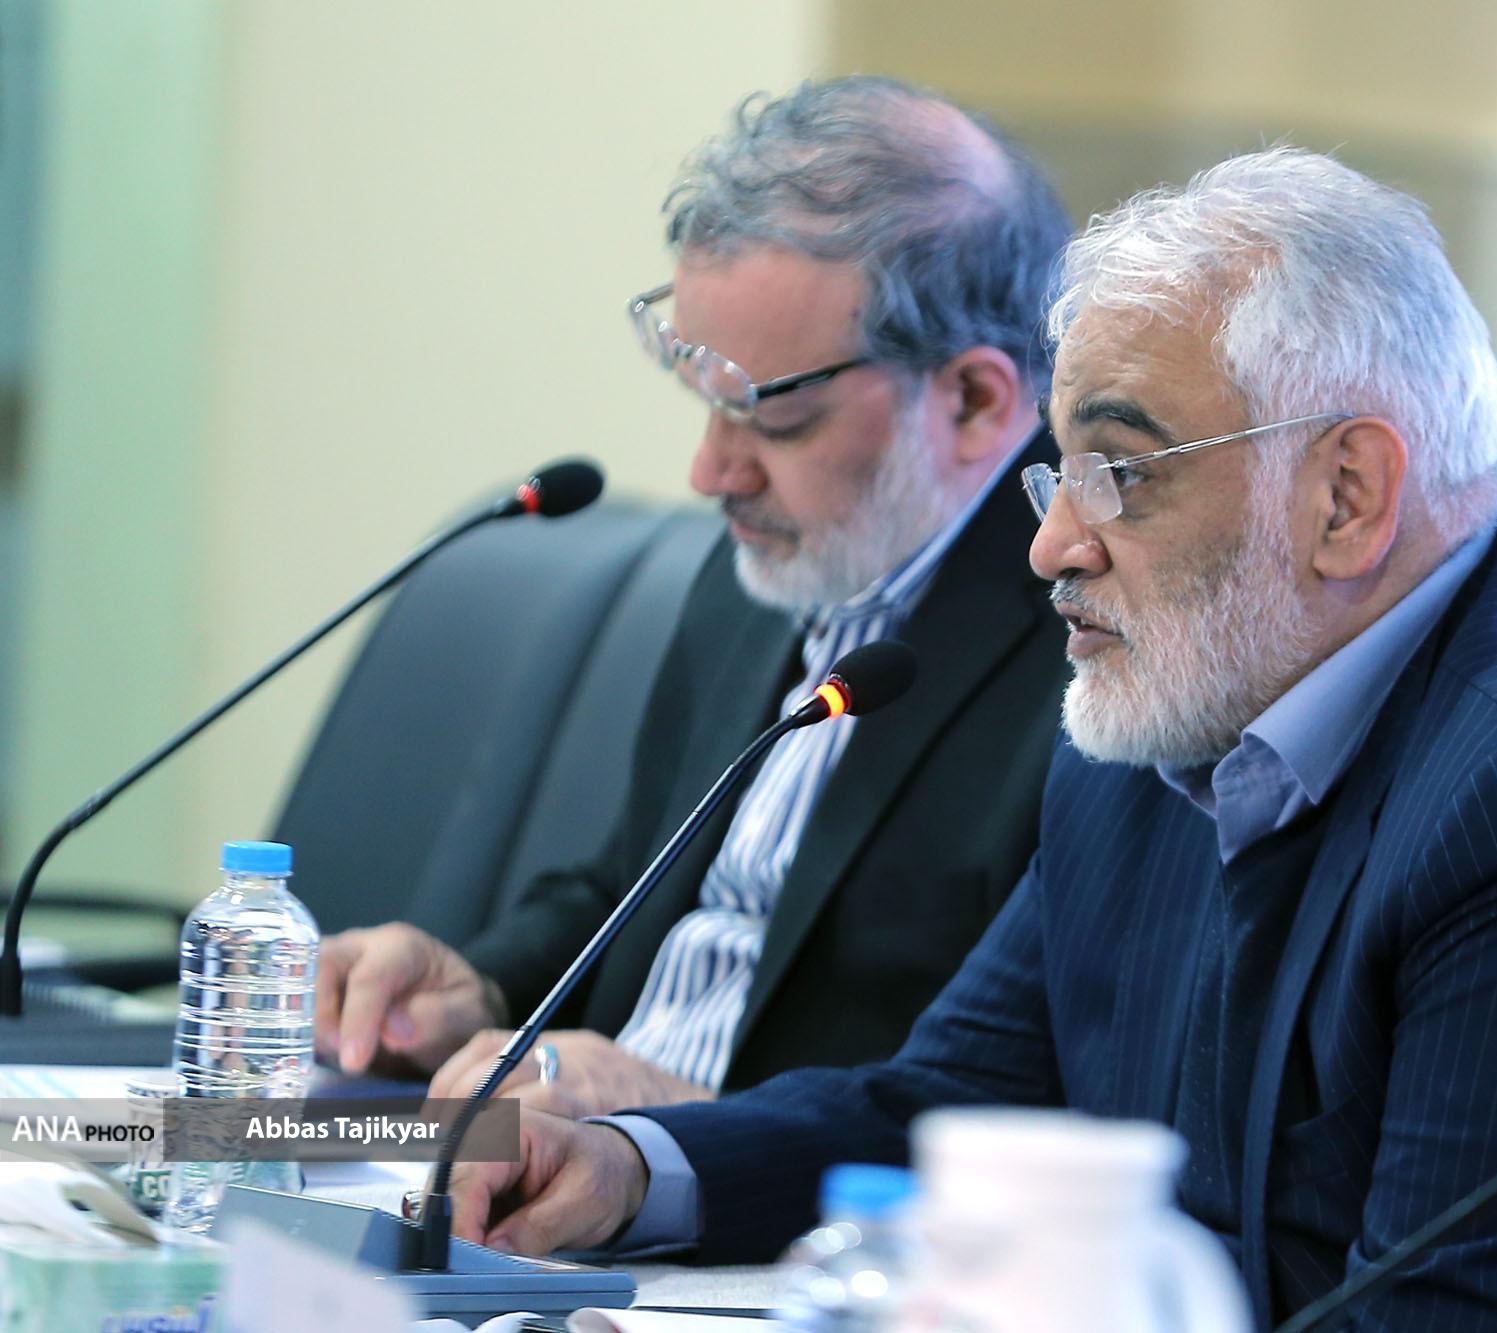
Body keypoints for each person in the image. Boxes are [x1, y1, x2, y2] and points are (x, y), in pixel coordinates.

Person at [445, 148, 1497, 1328]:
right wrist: (633, 1170)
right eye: (1058, 474)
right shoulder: (1169, 703)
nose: (1051, 547)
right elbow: (957, 1113)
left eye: (1121, 474)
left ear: (1347, 495)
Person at [312, 76, 1073, 1116]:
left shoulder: (1094, 647)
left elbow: (1023, 1094)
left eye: (772, 419)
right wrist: (479, 987)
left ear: (975, 400)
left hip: (763, 1202)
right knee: (155, 1144)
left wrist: (682, 1135)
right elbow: (640, 878)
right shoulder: (767, 560)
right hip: (559, 1158)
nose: (711, 472)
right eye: (708, 406)